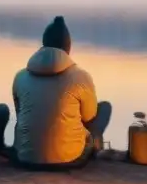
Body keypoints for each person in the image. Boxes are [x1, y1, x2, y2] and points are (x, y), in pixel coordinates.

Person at [11, 15, 112, 169]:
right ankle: (96, 148)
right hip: (69, 159)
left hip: (25, 157)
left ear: (43, 44)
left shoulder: (21, 76)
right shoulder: (81, 76)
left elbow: (20, 114)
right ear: (68, 47)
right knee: (104, 108)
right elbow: (89, 116)